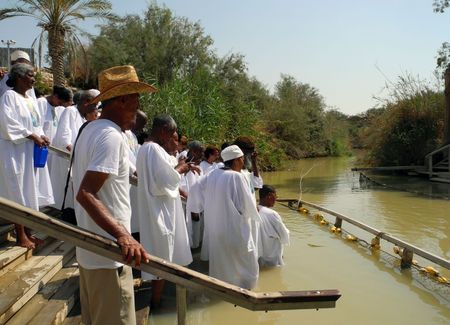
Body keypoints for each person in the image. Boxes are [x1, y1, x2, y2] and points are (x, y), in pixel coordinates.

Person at [72, 65, 154, 325]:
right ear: (121, 100)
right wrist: (123, 235)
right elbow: (85, 193)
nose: (138, 108)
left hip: (91, 254)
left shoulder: (90, 130)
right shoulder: (110, 136)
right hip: (108, 259)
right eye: (135, 100)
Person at [136, 114, 193, 306]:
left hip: (160, 207)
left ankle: (159, 297)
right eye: (170, 134)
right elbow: (162, 182)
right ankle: (156, 301)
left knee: (164, 253)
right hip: (158, 211)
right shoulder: (152, 149)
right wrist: (181, 169)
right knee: (161, 255)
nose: (171, 139)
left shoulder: (150, 149)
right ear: (162, 131)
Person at [190, 145, 261, 289]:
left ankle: (223, 290)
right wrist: (253, 214)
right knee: (247, 261)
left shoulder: (213, 174)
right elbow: (245, 206)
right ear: (235, 160)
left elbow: (195, 188)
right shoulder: (236, 176)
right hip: (234, 228)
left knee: (223, 263)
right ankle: (246, 290)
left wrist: (197, 208)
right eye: (241, 159)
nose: (243, 162)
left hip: (216, 229)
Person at [0, 63, 53, 249]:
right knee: (17, 191)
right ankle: (20, 235)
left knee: (29, 191)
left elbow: (34, 123)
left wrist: (41, 135)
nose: (33, 79)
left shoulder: (30, 99)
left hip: (30, 151)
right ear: (20, 77)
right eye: (30, 75)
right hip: (14, 151)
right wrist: (32, 135)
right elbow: (7, 123)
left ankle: (29, 233)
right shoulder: (9, 96)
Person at [49, 89, 99, 209]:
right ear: (87, 102)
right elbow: (64, 137)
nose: (96, 109)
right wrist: (77, 152)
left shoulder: (83, 116)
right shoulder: (70, 111)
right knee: (66, 194)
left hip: (77, 159)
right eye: (95, 105)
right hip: (67, 158)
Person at [257, 185, 290, 267]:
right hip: (272, 259)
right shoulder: (272, 214)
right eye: (275, 196)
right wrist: (287, 232)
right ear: (270, 196)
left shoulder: (254, 210)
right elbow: (284, 235)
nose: (276, 199)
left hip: (258, 257)